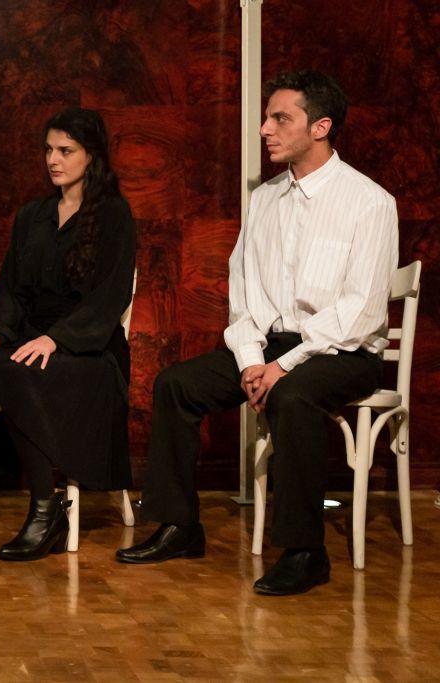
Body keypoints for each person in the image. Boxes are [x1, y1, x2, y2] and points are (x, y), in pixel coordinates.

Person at [116, 70, 399, 596]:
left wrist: (282, 367)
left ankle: (305, 552)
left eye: (280, 118)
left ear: (320, 127)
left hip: (342, 352)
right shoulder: (265, 199)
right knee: (176, 385)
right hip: (270, 347)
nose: (265, 128)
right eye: (267, 117)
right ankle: (180, 526)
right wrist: (251, 359)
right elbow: (243, 290)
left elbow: (359, 311)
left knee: (292, 395)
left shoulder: (369, 202)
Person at [0, 107, 137, 561]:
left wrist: (57, 338)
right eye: (48, 150)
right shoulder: (33, 216)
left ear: (92, 155)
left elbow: (110, 297)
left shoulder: (114, 215)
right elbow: (11, 289)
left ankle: (46, 511)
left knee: (21, 373)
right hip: (29, 337)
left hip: (90, 348)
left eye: (65, 150)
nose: (53, 159)